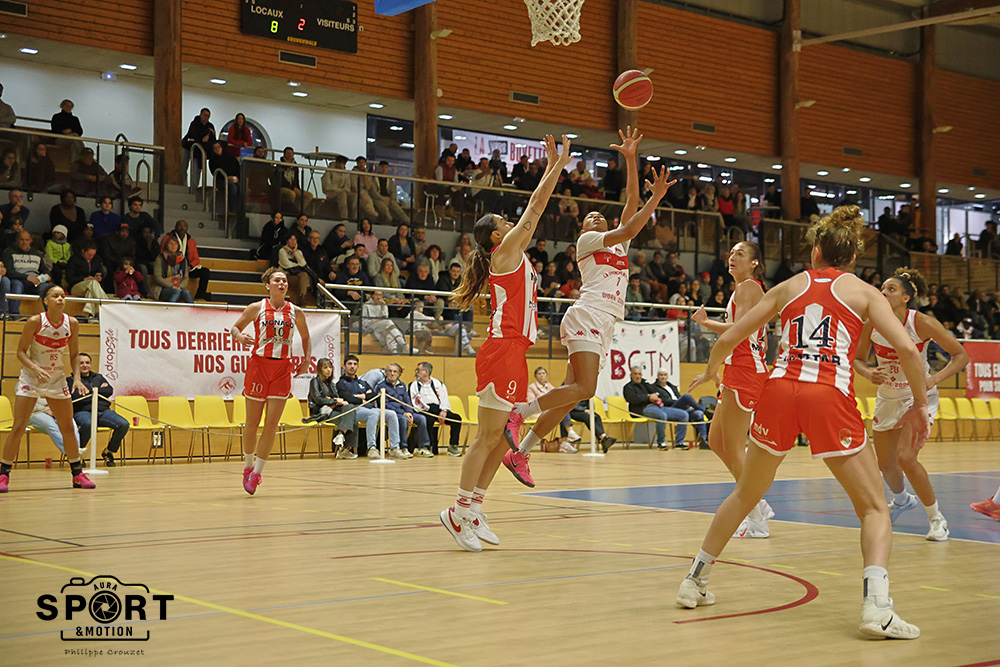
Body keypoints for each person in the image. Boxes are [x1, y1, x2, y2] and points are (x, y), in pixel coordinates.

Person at [677, 205, 931, 640]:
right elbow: (908, 351)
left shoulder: (790, 286)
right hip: (827, 393)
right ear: (852, 257)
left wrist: (712, 370)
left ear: (815, 251)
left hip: (778, 391)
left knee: (745, 493)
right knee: (874, 508)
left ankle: (694, 579)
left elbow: (731, 336)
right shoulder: (864, 292)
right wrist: (921, 406)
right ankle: (877, 608)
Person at [504, 127, 675, 487]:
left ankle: (520, 453)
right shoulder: (589, 241)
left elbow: (630, 204)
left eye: (600, 215)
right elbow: (629, 227)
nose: (596, 217)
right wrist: (656, 199)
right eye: (590, 216)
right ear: (584, 228)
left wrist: (631, 159)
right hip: (587, 314)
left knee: (569, 398)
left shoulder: (619, 246)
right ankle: (519, 412)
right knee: (586, 389)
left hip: (605, 322)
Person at [438, 133, 572, 553]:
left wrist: (555, 167)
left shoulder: (511, 253)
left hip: (516, 351)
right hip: (501, 350)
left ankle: (476, 506)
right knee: (487, 436)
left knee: (502, 439)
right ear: (496, 236)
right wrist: (555, 166)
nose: (510, 222)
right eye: (503, 221)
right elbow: (536, 206)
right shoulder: (505, 253)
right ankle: (457, 511)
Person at [853, 267, 969, 542]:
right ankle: (903, 500)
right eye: (882, 288)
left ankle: (937, 518)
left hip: (916, 397)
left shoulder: (921, 322)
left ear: (906, 298)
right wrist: (868, 373)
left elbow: (961, 355)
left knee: (905, 458)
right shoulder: (871, 322)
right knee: (885, 464)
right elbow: (858, 359)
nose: (883, 292)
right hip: (887, 397)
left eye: (891, 289)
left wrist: (934, 379)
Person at [691, 241, 774, 537]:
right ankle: (757, 500)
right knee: (716, 441)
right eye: (731, 253)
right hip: (738, 368)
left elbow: (740, 331)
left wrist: (705, 322)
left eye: (740, 253)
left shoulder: (748, 287)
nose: (732, 257)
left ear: (754, 263)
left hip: (746, 371)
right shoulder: (745, 289)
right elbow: (752, 335)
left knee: (736, 448)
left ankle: (755, 518)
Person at [0, 285, 93, 493]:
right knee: (18, 427)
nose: (60, 299)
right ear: (45, 300)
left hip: (56, 379)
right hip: (32, 378)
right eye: (55, 296)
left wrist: (77, 378)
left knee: (68, 427)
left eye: (62, 296)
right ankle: (3, 474)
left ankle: (77, 474)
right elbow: (20, 352)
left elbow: (74, 355)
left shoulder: (72, 323)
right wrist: (34, 368)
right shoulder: (35, 321)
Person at [230, 268, 311, 494]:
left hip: (282, 369)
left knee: (271, 424)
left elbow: (306, 337)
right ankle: (248, 466)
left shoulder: (296, 311)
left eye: (284, 281)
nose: (282, 283)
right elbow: (234, 328)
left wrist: (306, 360)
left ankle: (257, 473)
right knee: (252, 423)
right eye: (277, 280)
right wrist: (239, 336)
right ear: (268, 285)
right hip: (259, 367)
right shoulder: (256, 308)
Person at [68, 353, 130, 467]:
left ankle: (109, 452)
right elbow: (75, 396)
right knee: (88, 424)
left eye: (87, 363)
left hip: (103, 411)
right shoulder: (70, 381)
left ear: (91, 364)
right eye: (81, 363)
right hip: (82, 411)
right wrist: (96, 391)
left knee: (124, 424)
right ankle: (78, 454)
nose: (84, 365)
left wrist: (89, 391)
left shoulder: (98, 377)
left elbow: (109, 390)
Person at [337, 354, 398, 460]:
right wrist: (363, 398)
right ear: (344, 366)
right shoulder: (341, 383)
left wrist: (357, 396)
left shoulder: (363, 382)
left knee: (391, 414)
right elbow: (347, 397)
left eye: (355, 364)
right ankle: (372, 448)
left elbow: (373, 395)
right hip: (355, 410)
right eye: (349, 364)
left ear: (357, 366)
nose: (352, 366)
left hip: (370, 408)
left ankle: (395, 448)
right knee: (373, 414)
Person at [307, 358, 357, 458]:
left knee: (350, 408)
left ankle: (341, 435)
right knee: (353, 420)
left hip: (333, 409)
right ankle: (344, 449)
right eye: (325, 368)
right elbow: (318, 399)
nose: (328, 370)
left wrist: (334, 400)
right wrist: (334, 401)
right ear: (320, 369)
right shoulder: (315, 381)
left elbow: (337, 397)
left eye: (330, 367)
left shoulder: (332, 384)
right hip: (322, 412)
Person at [376, 363, 429, 458]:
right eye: (390, 371)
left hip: (405, 412)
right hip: (392, 414)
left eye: (395, 371)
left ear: (399, 374)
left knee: (421, 418)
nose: (392, 373)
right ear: (386, 373)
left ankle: (423, 447)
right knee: (402, 419)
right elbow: (384, 404)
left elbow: (407, 401)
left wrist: (409, 412)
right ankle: (403, 447)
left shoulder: (402, 385)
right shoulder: (381, 386)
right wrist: (403, 413)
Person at [410, 361, 462, 457]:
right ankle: (428, 447)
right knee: (428, 420)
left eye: (418, 370)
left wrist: (444, 411)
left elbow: (444, 398)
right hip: (423, 410)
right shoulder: (413, 385)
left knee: (456, 419)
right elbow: (413, 402)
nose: (416, 372)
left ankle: (453, 446)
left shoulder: (439, 384)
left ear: (426, 372)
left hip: (438, 409)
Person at [526, 366, 581, 453]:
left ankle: (566, 441)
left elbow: (557, 398)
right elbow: (531, 403)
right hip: (538, 413)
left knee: (562, 412)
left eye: (543, 373)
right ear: (535, 376)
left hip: (549, 410)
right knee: (561, 412)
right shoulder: (531, 387)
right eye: (539, 374)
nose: (542, 375)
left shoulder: (550, 386)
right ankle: (569, 435)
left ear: (546, 375)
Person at [4, 230, 52, 314]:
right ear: (17, 240)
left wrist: (46, 276)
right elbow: (9, 271)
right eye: (22, 240)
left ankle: (51, 314)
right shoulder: (9, 252)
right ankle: (14, 314)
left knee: (46, 288)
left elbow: (44, 269)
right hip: (18, 279)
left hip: (35, 281)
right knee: (17, 286)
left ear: (31, 241)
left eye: (27, 240)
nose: (24, 242)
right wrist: (27, 277)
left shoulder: (37, 254)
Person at [163, 220, 211, 301]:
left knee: (205, 272)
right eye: (179, 226)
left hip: (187, 268)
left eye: (184, 226)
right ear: (175, 227)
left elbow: (196, 259)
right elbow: (163, 254)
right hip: (172, 268)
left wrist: (190, 266)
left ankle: (199, 296)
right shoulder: (167, 238)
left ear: (187, 228)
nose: (182, 228)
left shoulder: (191, 241)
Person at [66, 241, 110, 320]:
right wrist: (84, 279)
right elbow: (69, 278)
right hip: (77, 286)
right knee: (92, 283)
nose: (91, 257)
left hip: (92, 287)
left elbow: (101, 273)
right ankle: (106, 304)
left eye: (93, 255)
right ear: (83, 251)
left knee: (90, 292)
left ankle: (90, 315)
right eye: (89, 254)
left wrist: (99, 277)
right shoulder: (74, 259)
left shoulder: (97, 260)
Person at [150, 235, 193, 303]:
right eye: (171, 244)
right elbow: (157, 277)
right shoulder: (160, 258)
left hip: (179, 287)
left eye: (175, 244)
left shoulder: (182, 259)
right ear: (166, 245)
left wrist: (180, 286)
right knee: (176, 292)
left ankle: (193, 309)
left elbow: (186, 277)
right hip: (163, 288)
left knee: (187, 293)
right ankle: (169, 309)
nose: (173, 246)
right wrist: (172, 286)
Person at [182, 108, 215, 183]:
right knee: (183, 167)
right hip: (188, 147)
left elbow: (212, 140)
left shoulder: (210, 126)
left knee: (196, 171)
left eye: (208, 116)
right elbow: (197, 136)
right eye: (205, 115)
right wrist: (207, 134)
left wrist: (209, 135)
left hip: (199, 152)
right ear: (201, 115)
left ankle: (194, 187)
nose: (206, 118)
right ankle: (184, 184)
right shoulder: (195, 123)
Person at [277, 234, 310, 305]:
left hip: (297, 273)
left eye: (295, 240)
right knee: (302, 281)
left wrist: (295, 252)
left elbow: (303, 264)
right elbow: (287, 265)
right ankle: (299, 300)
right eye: (291, 239)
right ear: (287, 241)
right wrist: (297, 265)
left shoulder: (298, 252)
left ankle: (302, 297)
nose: (293, 242)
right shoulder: (282, 251)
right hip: (286, 273)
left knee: (304, 275)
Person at [321, 155, 352, 220]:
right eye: (340, 162)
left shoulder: (346, 173)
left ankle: (354, 218)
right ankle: (344, 218)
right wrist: (341, 190)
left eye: (343, 163)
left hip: (343, 192)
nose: (341, 164)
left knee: (354, 198)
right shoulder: (329, 171)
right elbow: (327, 186)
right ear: (336, 162)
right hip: (331, 193)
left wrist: (346, 190)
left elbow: (347, 185)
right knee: (342, 195)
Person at [45, 224, 72, 288]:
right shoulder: (50, 243)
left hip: (65, 263)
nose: (56, 234)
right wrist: (57, 262)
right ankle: (58, 285)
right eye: (55, 233)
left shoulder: (67, 245)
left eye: (58, 233)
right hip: (55, 263)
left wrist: (66, 262)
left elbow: (69, 255)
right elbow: (49, 256)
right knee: (56, 270)